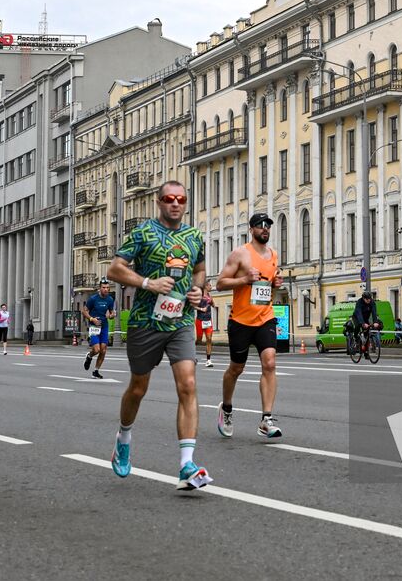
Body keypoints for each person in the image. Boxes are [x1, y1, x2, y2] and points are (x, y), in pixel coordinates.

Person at [106, 180, 211, 490]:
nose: (175, 203)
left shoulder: (194, 236)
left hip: (181, 320)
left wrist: (198, 290)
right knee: (138, 388)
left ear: (186, 203)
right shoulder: (143, 233)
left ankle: (186, 465)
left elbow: (200, 270)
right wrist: (147, 283)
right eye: (169, 198)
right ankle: (124, 437)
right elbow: (114, 269)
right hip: (145, 321)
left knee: (188, 385)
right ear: (159, 201)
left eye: (181, 199)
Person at [215, 211, 284, 441]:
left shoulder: (273, 255)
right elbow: (220, 283)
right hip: (241, 321)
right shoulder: (240, 254)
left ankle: (266, 419)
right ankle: (226, 408)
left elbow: (267, 287)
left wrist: (275, 283)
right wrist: (244, 279)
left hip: (265, 317)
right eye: (260, 225)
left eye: (268, 225)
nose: (265, 228)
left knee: (270, 362)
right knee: (236, 369)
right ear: (251, 229)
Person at [83, 280, 117, 378]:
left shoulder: (110, 299)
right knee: (97, 349)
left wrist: (112, 315)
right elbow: (84, 311)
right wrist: (92, 319)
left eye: (107, 288)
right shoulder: (93, 299)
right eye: (104, 287)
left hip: (104, 326)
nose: (106, 289)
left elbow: (111, 313)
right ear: (100, 288)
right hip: (94, 326)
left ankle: (96, 371)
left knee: (103, 350)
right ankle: (89, 356)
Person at [194, 289, 215, 368]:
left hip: (208, 320)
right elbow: (193, 306)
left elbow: (213, 305)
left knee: (209, 339)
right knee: (199, 340)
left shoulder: (210, 296)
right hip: (200, 320)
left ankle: (208, 360)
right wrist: (201, 309)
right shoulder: (199, 295)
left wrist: (212, 302)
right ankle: (191, 352)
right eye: (209, 285)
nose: (211, 287)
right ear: (206, 286)